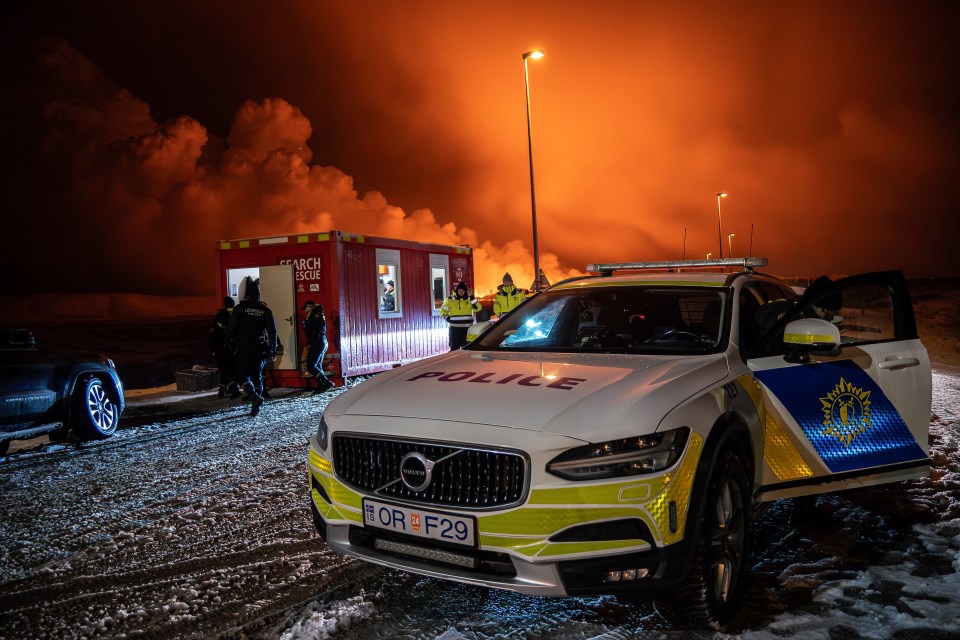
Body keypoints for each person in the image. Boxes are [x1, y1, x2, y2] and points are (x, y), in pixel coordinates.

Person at [226, 277, 278, 417]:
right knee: (257, 376)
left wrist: (226, 343)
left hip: (244, 347)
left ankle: (254, 398)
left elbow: (231, 329)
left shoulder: (239, 309)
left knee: (242, 377)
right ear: (258, 294)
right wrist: (273, 349)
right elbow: (273, 332)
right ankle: (256, 407)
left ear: (246, 294)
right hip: (260, 347)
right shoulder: (265, 310)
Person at [209, 296, 240, 399]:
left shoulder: (219, 316)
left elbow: (213, 334)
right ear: (233, 304)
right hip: (234, 347)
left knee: (224, 369)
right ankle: (233, 390)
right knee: (231, 370)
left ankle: (221, 391)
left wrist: (213, 348)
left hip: (221, 347)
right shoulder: (236, 314)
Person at [302, 300, 334, 394]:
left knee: (311, 366)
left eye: (306, 308)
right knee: (318, 365)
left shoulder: (314, 316)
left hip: (317, 342)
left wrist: (306, 326)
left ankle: (326, 382)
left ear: (310, 307)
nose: (305, 311)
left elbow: (312, 332)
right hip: (321, 342)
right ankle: (322, 384)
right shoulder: (319, 315)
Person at [441, 282, 481, 350]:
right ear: (457, 291)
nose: (461, 292)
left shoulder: (469, 299)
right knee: (454, 348)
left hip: (468, 329)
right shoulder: (450, 299)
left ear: (465, 291)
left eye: (463, 290)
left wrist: (471, 297)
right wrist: (447, 318)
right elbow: (443, 311)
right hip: (454, 329)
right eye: (459, 290)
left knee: (467, 348)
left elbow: (478, 308)